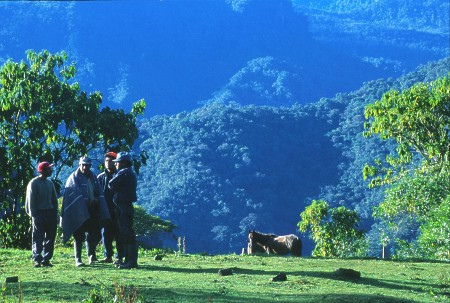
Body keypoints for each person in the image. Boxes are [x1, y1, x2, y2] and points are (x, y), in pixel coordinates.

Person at [60, 156, 110, 267]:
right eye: (83, 165)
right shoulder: (74, 178)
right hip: (78, 210)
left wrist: (96, 199)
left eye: (87, 165)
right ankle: (78, 259)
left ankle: (91, 256)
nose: (85, 167)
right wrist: (81, 204)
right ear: (79, 165)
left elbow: (97, 191)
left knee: (93, 233)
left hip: (92, 209)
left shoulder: (93, 177)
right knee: (78, 235)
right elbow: (71, 195)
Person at [25, 161, 58, 267]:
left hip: (50, 212)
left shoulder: (50, 183)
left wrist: (55, 214)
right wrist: (33, 214)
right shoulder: (34, 183)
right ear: (42, 170)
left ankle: (46, 259)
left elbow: (54, 200)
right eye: (48, 169)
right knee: (38, 237)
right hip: (38, 213)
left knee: (50, 237)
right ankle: (37, 258)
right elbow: (31, 200)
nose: (50, 170)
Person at [108, 152, 138, 269]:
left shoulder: (124, 172)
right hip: (124, 206)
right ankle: (128, 260)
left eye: (117, 163)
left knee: (127, 233)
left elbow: (111, 184)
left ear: (124, 163)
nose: (115, 165)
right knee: (125, 233)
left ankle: (131, 261)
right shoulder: (129, 172)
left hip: (123, 206)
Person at [97, 152, 123, 263]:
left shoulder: (119, 175)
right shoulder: (100, 177)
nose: (108, 163)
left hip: (117, 209)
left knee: (118, 233)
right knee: (105, 233)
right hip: (105, 209)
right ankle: (108, 256)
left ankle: (120, 256)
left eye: (111, 161)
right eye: (106, 161)